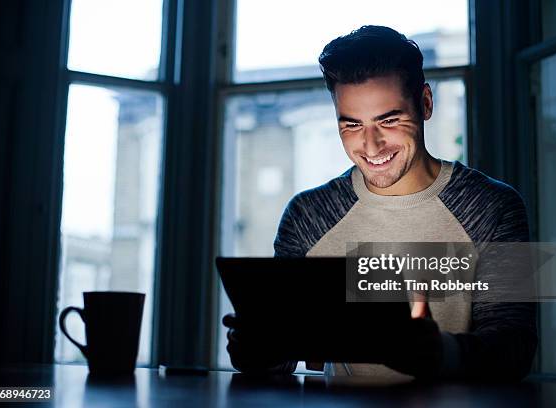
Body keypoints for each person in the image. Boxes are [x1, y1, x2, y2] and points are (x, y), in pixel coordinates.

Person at [223, 25, 537, 381]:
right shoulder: (307, 216)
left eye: (388, 120)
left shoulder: (492, 207)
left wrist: (439, 353)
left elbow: (515, 349)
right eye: (352, 125)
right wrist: (254, 348)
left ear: (426, 104)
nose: (371, 146)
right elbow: (282, 358)